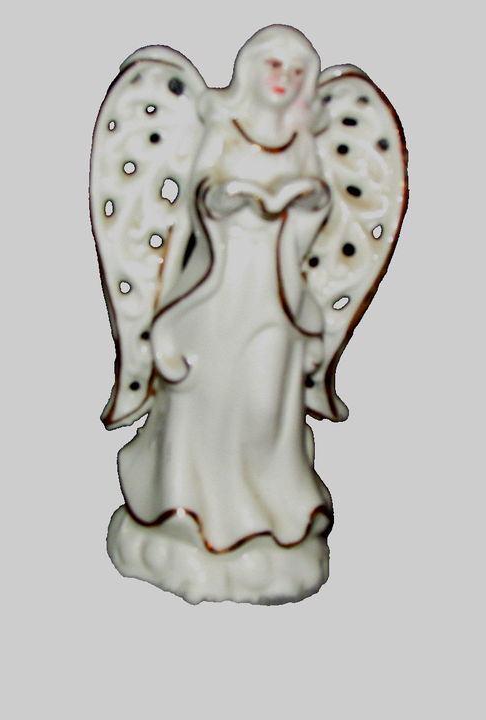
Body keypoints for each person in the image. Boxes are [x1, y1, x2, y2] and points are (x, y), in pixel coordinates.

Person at [117, 26, 335, 553]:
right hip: (219, 286)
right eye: (275, 66)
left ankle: (271, 505)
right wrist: (222, 201)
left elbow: (316, 214)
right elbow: (195, 198)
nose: (284, 80)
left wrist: (306, 205)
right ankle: (194, 505)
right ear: (252, 69)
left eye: (297, 71)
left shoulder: (303, 140)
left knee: (264, 404)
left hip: (273, 293)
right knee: (209, 393)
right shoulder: (222, 125)